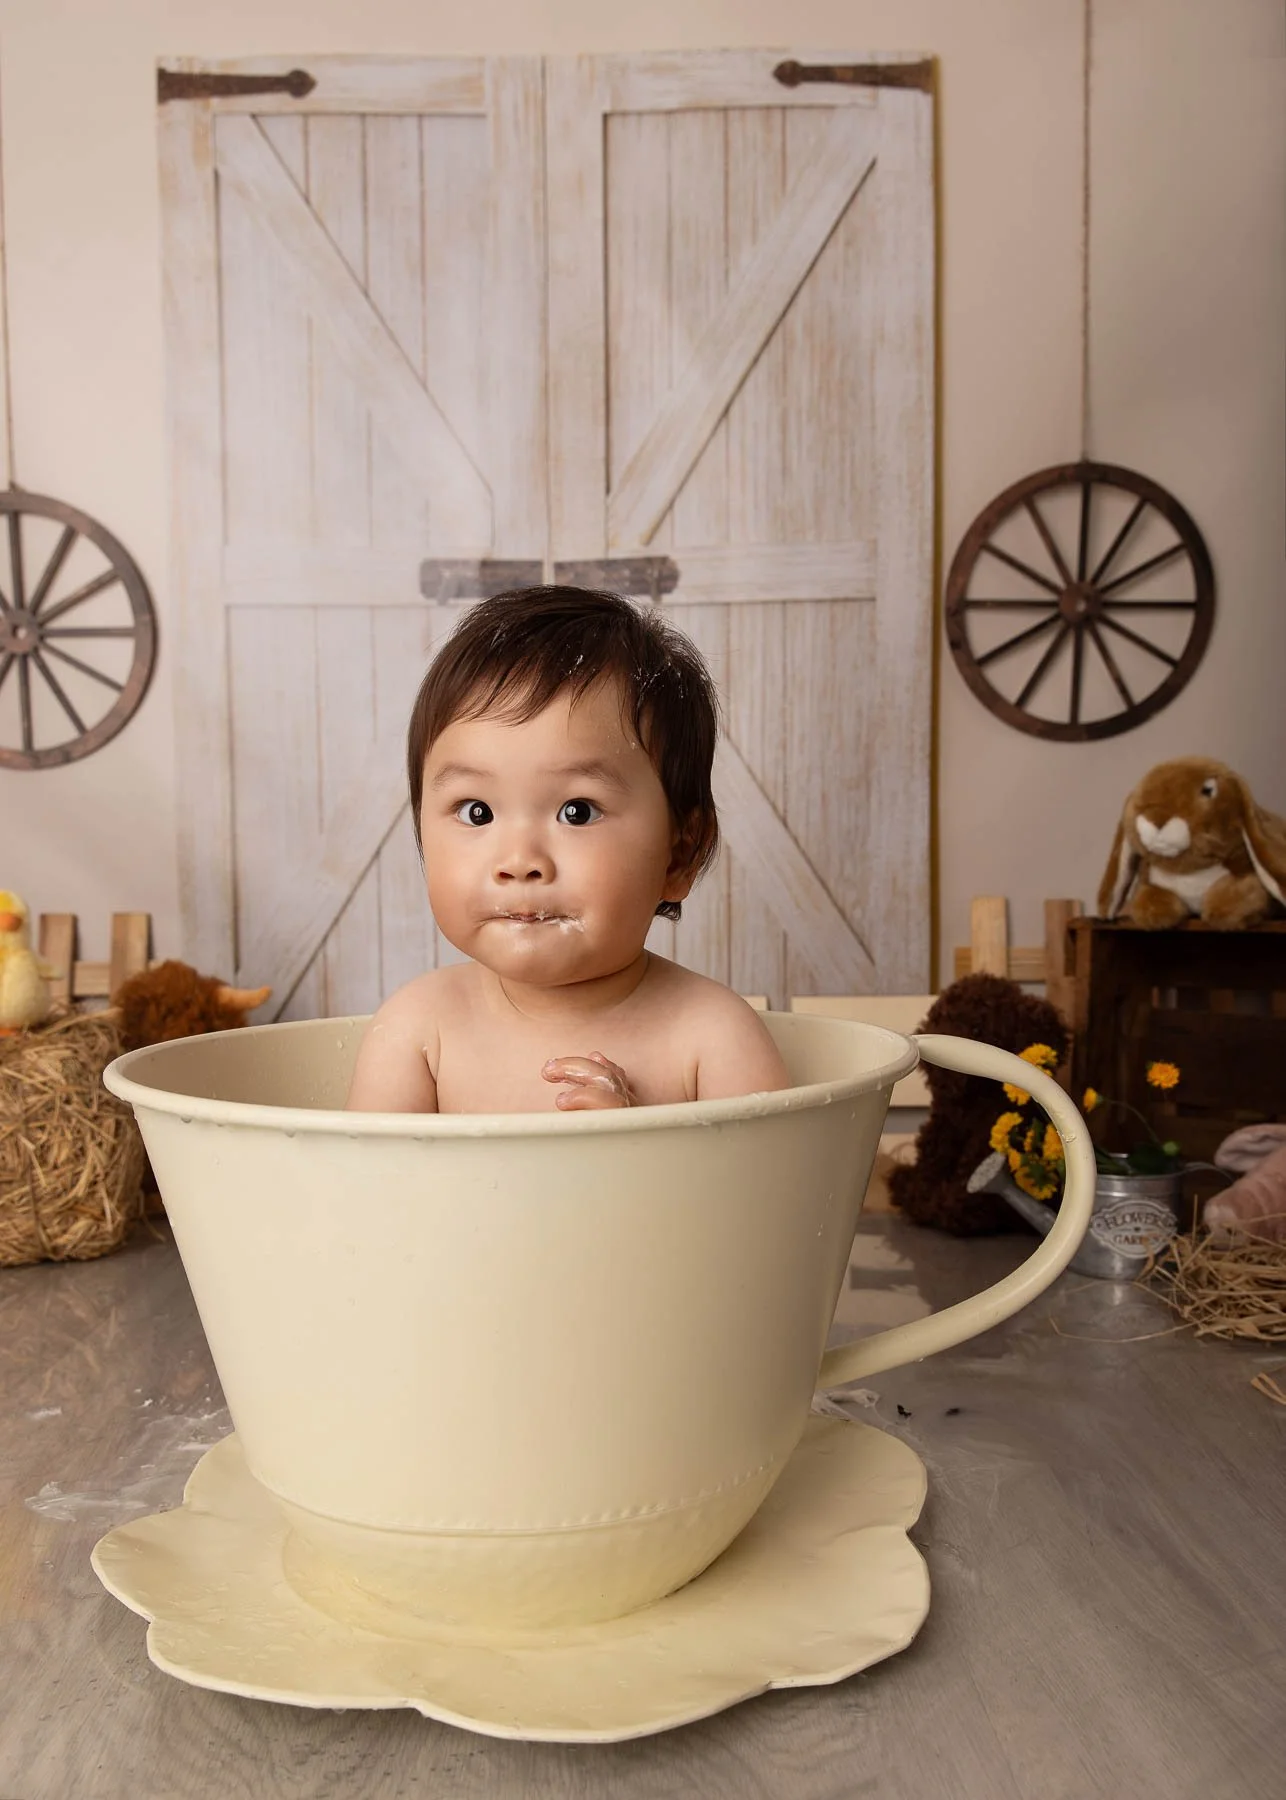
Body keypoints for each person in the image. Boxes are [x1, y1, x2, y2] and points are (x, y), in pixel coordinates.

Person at [345, 586, 790, 1113]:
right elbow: (368, 1190)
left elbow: (772, 1191)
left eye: (576, 811)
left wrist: (635, 1144)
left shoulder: (711, 1037)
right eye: (477, 812)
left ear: (680, 853)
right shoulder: (418, 1030)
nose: (520, 862)